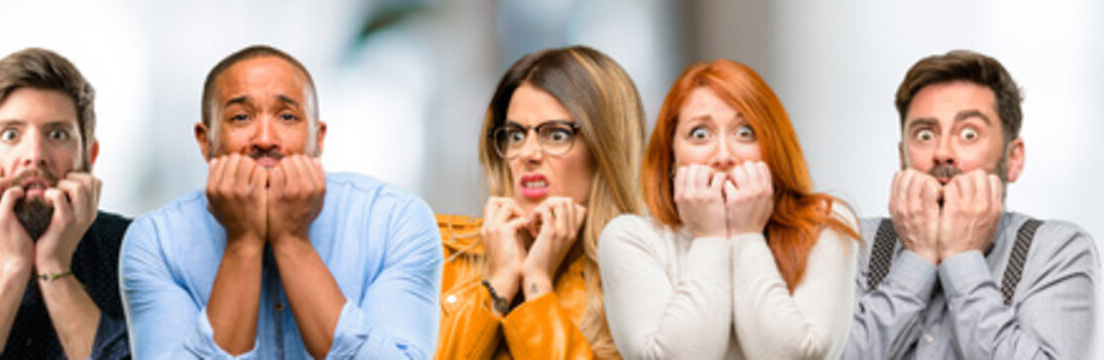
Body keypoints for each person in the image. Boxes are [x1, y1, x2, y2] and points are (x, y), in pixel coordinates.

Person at [119, 45, 441, 360]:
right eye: (241, 117)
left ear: (319, 139)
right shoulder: (155, 242)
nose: (264, 139)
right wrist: (242, 242)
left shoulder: (395, 221)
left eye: (287, 117)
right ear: (206, 142)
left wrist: (292, 239)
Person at [842, 50, 1096, 359]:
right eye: (924, 135)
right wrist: (917, 259)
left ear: (1013, 159)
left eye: (969, 133)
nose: (943, 153)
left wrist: (962, 258)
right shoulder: (852, 244)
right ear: (902, 157)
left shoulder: (1057, 251)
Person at [599, 59, 858, 359]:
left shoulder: (825, 226)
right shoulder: (632, 238)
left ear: (774, 147)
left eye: (745, 132)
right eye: (700, 134)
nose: (723, 155)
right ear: (671, 157)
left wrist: (748, 235)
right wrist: (710, 238)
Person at [436, 45, 646, 359]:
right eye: (516, 135)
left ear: (605, 152)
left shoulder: (640, 278)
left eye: (557, 135)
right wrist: (500, 281)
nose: (528, 153)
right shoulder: (439, 250)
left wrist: (537, 286)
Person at [0, 47, 130, 360]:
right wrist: (13, 266)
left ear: (89, 157)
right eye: (10, 134)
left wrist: (53, 265)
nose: (35, 154)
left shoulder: (134, 248)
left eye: (57, 134)